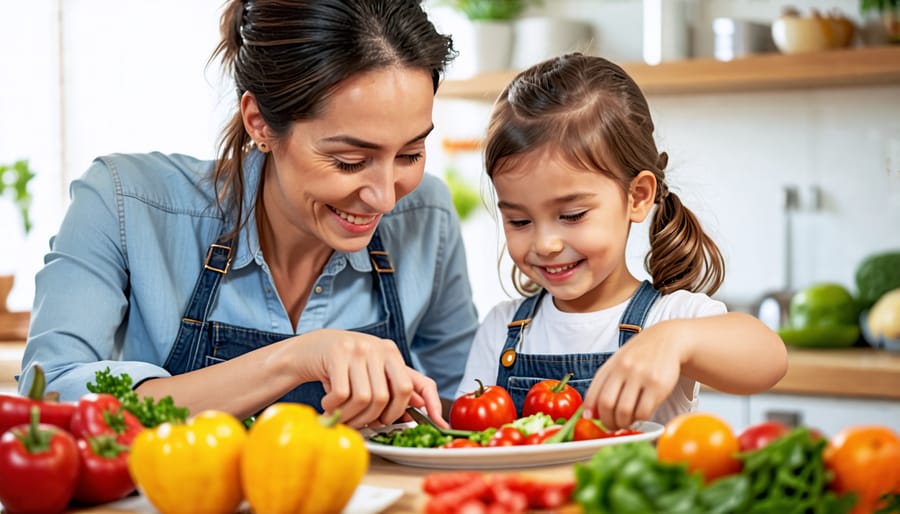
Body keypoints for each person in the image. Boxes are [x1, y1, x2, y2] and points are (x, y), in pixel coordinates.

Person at [19, 0, 478, 429]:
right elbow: (50, 402)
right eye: (349, 162)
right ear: (258, 122)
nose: (384, 198)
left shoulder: (426, 215)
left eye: (411, 153)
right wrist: (294, 359)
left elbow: (468, 413)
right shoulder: (125, 204)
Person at [457, 53, 787, 430]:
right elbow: (473, 441)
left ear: (638, 196)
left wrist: (676, 342)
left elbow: (770, 358)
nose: (546, 243)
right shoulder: (502, 328)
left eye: (572, 216)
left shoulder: (670, 318)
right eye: (519, 220)